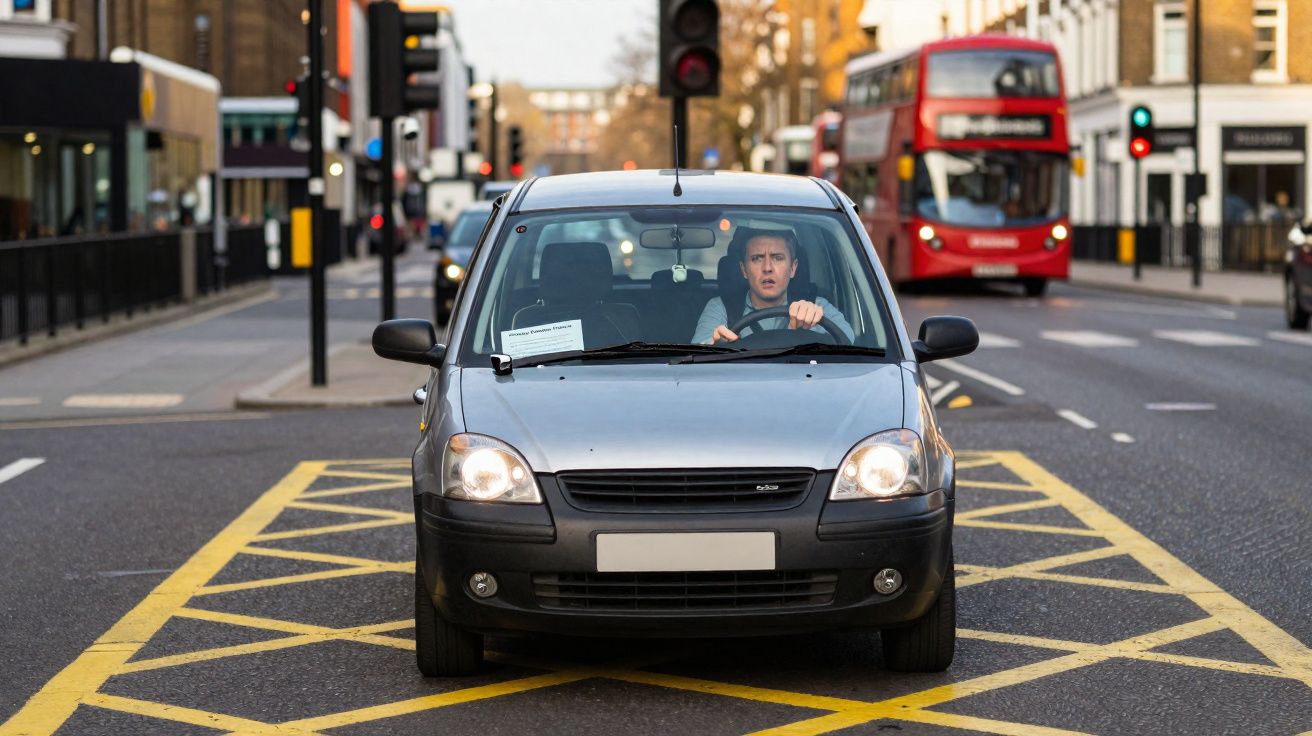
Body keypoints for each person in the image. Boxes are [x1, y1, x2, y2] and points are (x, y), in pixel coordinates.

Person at [693, 231, 854, 345]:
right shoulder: (722, 308)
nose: (767, 268)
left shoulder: (815, 306)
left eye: (778, 258)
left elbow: (849, 341)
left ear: (793, 268)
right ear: (743, 270)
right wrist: (715, 347)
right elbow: (698, 352)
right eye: (757, 258)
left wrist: (817, 321)